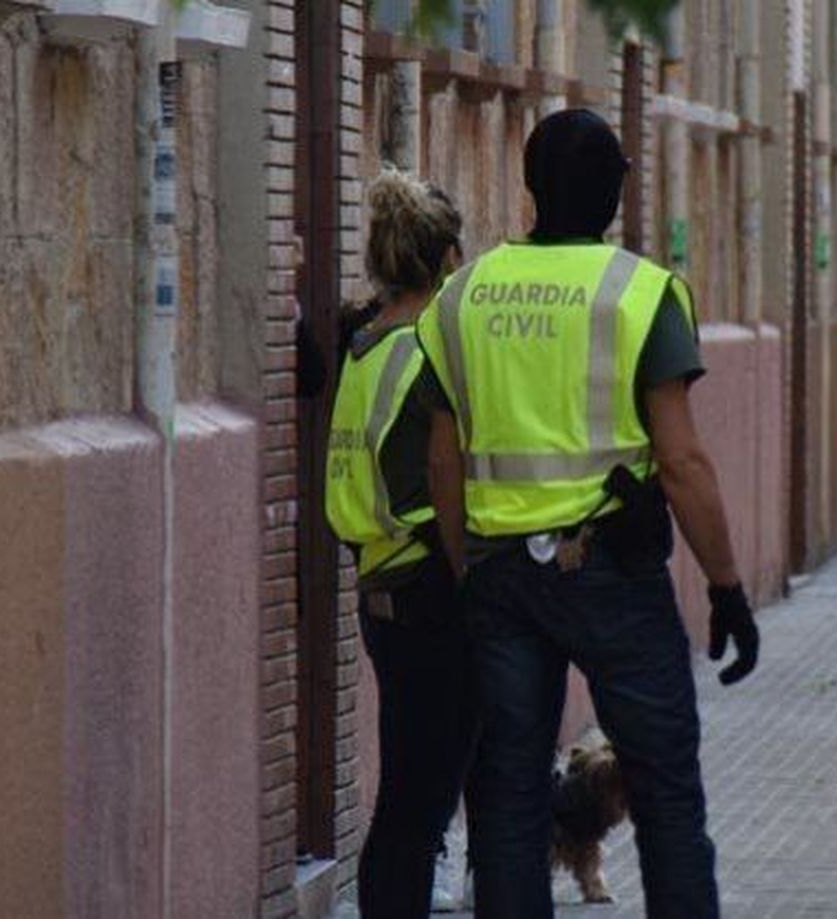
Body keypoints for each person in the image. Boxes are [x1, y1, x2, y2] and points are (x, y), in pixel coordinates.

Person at [414, 109, 761, 919]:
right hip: (614, 576)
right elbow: (680, 460)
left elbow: (442, 458)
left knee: (508, 797)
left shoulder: (463, 296)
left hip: (501, 576)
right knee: (666, 790)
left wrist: (472, 573)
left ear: (532, 189)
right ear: (614, 195)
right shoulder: (641, 293)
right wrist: (726, 587)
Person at [323, 168, 476, 918]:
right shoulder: (429, 349)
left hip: (376, 590)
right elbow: (444, 480)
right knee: (422, 804)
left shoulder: (365, 344)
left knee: (403, 801)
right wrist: (470, 579)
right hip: (429, 593)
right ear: (445, 259)